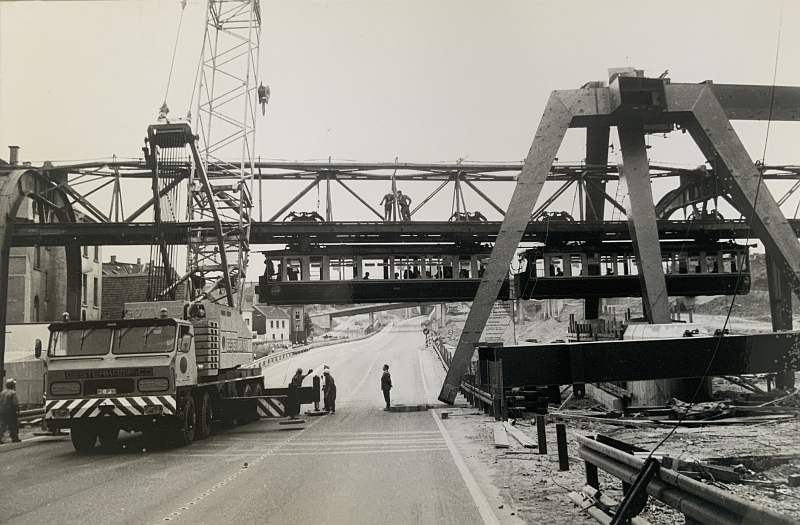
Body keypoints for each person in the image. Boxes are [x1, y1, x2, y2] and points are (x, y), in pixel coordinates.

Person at [0, 378, 20, 443]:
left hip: (2, 411)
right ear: (12, 385)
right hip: (11, 411)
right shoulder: (13, 393)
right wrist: (17, 410)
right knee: (13, 425)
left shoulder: (2, 392)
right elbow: (15, 403)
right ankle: (14, 438)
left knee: (2, 425)